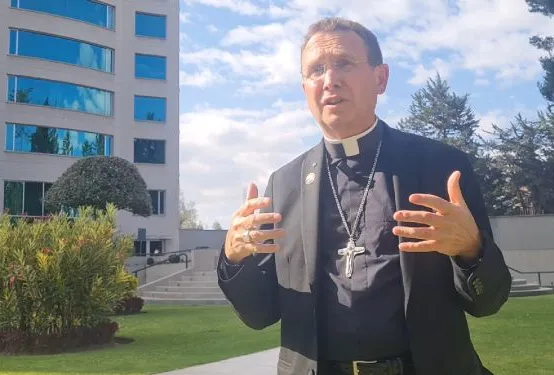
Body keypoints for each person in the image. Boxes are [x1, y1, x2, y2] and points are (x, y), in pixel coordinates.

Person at [217, 16, 512, 375]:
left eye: (343, 63)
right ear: (304, 86)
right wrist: (234, 259)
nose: (330, 80)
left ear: (380, 78)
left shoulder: (440, 166)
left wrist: (471, 249)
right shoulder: (284, 184)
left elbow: (488, 302)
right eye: (315, 70)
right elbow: (259, 315)